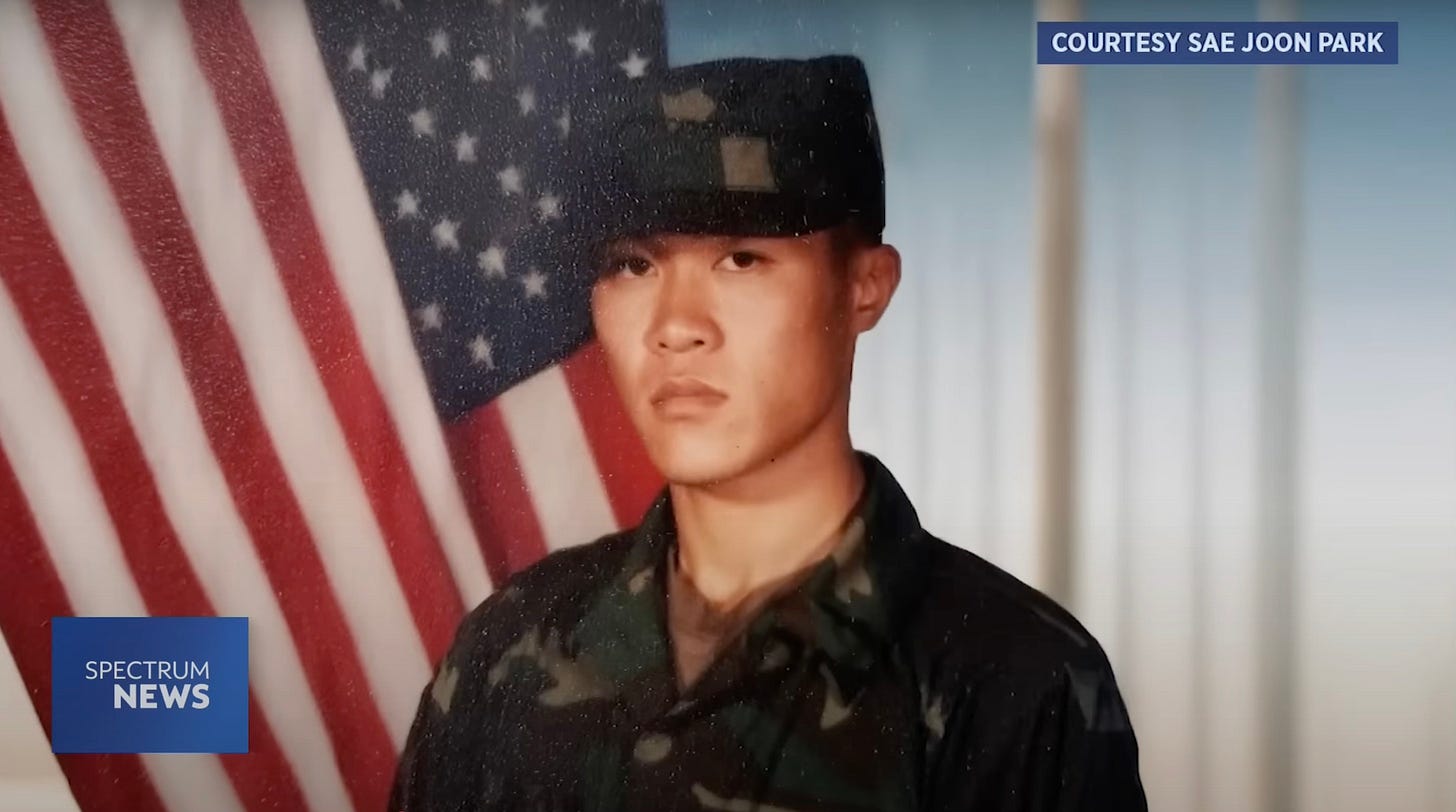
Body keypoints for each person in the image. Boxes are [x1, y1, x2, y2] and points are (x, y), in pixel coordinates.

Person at [390, 55, 1146, 812]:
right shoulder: (508, 652)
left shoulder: (1017, 687)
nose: (676, 326)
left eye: (741, 258)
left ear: (866, 287)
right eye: (633, 265)